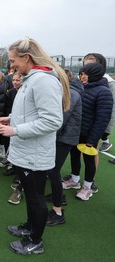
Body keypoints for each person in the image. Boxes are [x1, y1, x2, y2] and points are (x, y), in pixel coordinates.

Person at [0, 38, 70, 255]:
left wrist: (16, 130)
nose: (12, 66)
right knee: (31, 195)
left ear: (26, 57)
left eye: (13, 60)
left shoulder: (43, 81)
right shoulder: (32, 79)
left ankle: (35, 241)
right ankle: (29, 228)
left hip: (34, 154)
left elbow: (52, 121)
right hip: (27, 151)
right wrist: (11, 119)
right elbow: (30, 112)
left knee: (36, 197)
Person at [63, 63, 113, 201]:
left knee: (89, 160)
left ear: (94, 74)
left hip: (90, 134)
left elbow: (102, 118)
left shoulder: (104, 92)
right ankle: (74, 180)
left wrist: (93, 139)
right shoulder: (82, 87)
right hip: (77, 131)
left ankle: (87, 187)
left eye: (85, 74)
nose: (82, 77)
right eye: (81, 74)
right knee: (74, 155)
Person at [45, 68, 82, 226]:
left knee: (53, 171)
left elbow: (60, 120)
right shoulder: (66, 93)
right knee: (52, 171)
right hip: (60, 137)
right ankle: (57, 197)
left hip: (64, 139)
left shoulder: (71, 95)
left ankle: (58, 212)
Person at [83, 53, 115, 152]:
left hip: (94, 126)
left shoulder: (109, 84)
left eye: (90, 66)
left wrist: (105, 130)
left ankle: (106, 141)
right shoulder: (83, 80)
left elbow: (110, 109)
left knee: (92, 153)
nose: (87, 68)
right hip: (82, 125)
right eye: (85, 66)